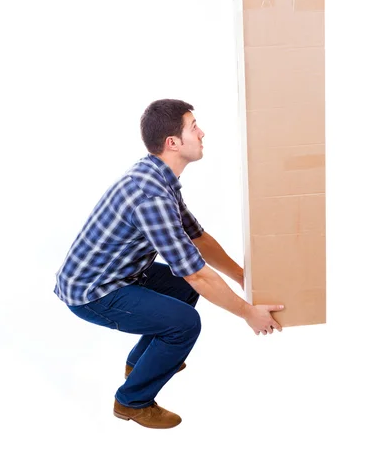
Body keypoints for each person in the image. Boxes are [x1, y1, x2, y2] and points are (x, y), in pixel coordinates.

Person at [54, 98, 284, 429]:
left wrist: (243, 277)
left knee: (181, 290)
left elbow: (197, 238)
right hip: (93, 293)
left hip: (118, 274)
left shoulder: (158, 176)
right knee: (185, 324)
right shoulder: (152, 197)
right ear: (172, 143)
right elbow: (197, 275)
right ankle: (132, 401)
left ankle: (140, 364)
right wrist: (249, 314)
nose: (202, 133)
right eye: (194, 127)